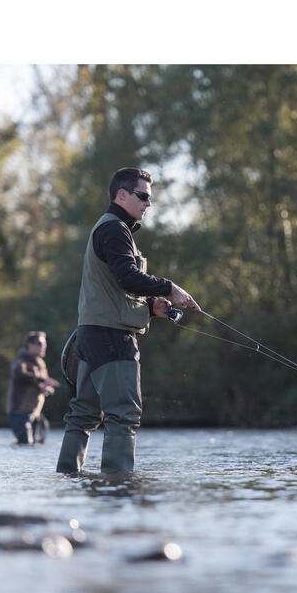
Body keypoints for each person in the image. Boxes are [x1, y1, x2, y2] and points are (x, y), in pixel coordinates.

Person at [56, 166, 200, 474]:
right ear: (122, 195)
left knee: (83, 415)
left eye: (150, 199)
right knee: (123, 415)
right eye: (143, 197)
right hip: (112, 339)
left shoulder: (110, 229)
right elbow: (127, 276)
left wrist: (150, 308)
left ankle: (66, 483)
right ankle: (118, 490)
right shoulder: (114, 229)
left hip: (92, 336)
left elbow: (115, 286)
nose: (148, 204)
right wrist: (170, 288)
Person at [6, 331, 60, 444]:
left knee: (38, 444)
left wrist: (46, 389)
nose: (43, 347)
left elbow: (40, 383)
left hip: (35, 413)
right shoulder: (20, 360)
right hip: (20, 413)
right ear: (29, 345)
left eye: (44, 344)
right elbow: (20, 374)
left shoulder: (40, 363)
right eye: (40, 344)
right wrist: (43, 380)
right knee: (25, 444)